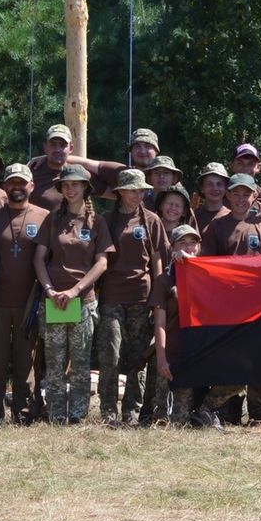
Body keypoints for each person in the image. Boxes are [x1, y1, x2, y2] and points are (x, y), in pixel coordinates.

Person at [32, 164, 113, 424]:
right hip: (54, 301)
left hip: (83, 301)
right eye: (66, 184)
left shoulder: (96, 221)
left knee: (80, 363)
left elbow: (102, 262)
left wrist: (76, 290)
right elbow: (39, 259)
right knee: (54, 361)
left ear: (85, 188)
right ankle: (56, 414)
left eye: (76, 183)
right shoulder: (53, 219)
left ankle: (78, 414)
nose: (71, 188)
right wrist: (50, 290)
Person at [197, 172, 261, 423]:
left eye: (246, 194)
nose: (241, 199)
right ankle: (213, 408)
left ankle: (260, 413)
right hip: (228, 309)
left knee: (259, 360)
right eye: (236, 194)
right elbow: (205, 266)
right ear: (228, 195)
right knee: (233, 363)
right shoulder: (216, 227)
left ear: (255, 196)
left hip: (260, 307)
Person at [96, 169, 169, 426]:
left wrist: (157, 298)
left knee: (138, 357)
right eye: (134, 190)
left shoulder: (151, 220)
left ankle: (132, 411)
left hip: (142, 296)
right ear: (121, 192)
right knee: (111, 354)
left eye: (142, 190)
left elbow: (158, 262)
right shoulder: (107, 219)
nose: (139, 194)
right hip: (112, 296)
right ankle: (108, 411)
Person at [0, 164, 46, 426]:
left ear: (32, 186)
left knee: (26, 362)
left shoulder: (45, 217)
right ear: (5, 186)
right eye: (12, 183)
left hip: (29, 302)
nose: (17, 187)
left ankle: (24, 412)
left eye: (22, 183)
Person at [151, 225, 204, 426]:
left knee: (183, 418)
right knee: (164, 420)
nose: (188, 247)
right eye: (182, 242)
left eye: (193, 242)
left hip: (199, 351)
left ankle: (205, 410)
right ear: (172, 247)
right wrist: (162, 359)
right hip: (173, 353)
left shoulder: (209, 273)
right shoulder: (164, 279)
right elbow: (160, 323)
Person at [191, 163, 229, 238]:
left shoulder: (232, 216)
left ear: (226, 188)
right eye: (209, 184)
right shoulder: (193, 217)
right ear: (202, 188)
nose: (215, 188)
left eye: (219, 184)